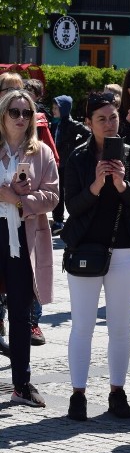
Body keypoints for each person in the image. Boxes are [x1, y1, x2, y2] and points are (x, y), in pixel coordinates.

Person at [63, 92, 130, 420]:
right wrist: (97, 185)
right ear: (89, 123)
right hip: (84, 252)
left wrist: (121, 184)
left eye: (113, 117)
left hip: (126, 251)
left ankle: (118, 392)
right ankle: (77, 395)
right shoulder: (77, 159)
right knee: (82, 325)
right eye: (101, 119)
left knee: (120, 326)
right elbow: (71, 207)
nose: (109, 123)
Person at [0, 90, 59, 407]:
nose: (21, 118)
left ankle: (21, 384)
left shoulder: (42, 153)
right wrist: (3, 193)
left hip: (23, 237)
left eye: (26, 112)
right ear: (3, 115)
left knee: (21, 314)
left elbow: (53, 196)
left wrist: (21, 200)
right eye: (14, 112)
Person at [50, 95, 91, 236]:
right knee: (58, 191)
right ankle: (58, 220)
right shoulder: (54, 123)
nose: (53, 110)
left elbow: (88, 134)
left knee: (70, 190)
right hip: (56, 162)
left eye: (57, 108)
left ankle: (74, 217)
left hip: (67, 163)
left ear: (64, 109)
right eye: (53, 107)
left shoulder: (71, 124)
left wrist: (73, 146)